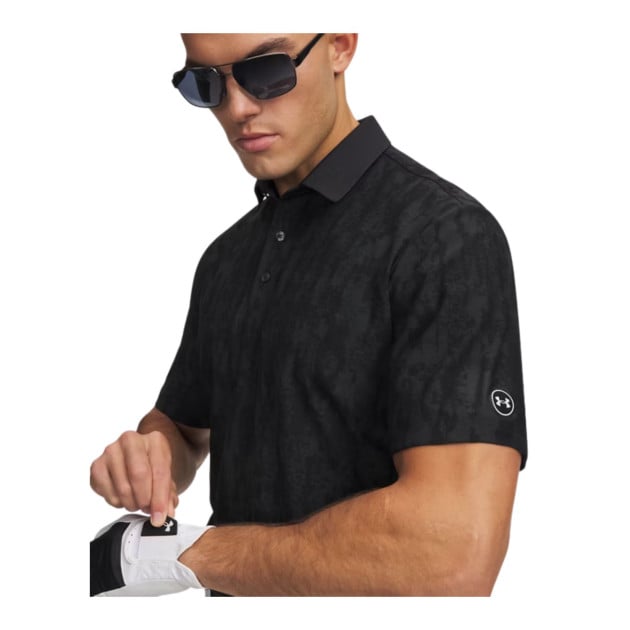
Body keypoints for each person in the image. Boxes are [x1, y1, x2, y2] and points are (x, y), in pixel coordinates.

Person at [89, 33, 528, 597]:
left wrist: (189, 555)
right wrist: (151, 454)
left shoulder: (443, 237)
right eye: (206, 84)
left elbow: (453, 557)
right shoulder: (226, 258)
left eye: (266, 71)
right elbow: (183, 425)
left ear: (340, 45)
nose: (237, 108)